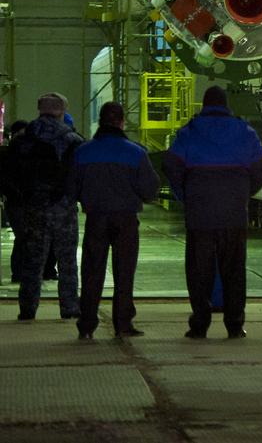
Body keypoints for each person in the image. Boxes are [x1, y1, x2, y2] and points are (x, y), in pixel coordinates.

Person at [165, 86, 262, 339]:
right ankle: (234, 324)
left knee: (199, 271)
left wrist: (186, 195)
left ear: (204, 104)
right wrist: (244, 192)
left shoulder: (189, 132)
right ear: (226, 104)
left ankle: (200, 324)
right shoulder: (244, 131)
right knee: (234, 270)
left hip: (200, 215)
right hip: (234, 214)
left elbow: (171, 165)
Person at [67, 102, 159, 340]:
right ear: (121, 122)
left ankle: (86, 325)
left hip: (96, 219)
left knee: (92, 272)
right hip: (126, 220)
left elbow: (70, 189)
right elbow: (150, 190)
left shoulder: (83, 152)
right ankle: (123, 323)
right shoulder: (136, 152)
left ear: (101, 120)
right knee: (124, 272)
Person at [6, 94, 84, 320]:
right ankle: (69, 307)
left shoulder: (23, 139)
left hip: (32, 206)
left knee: (32, 259)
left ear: (39, 109)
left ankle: (27, 308)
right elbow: (78, 174)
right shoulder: (71, 139)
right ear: (62, 111)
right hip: (63, 207)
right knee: (67, 260)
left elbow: (11, 173)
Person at [1, 119, 29, 284]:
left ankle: (19, 272)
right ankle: (19, 272)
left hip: (15, 201)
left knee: (23, 237)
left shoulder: (8, 154)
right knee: (24, 236)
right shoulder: (12, 154)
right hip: (18, 201)